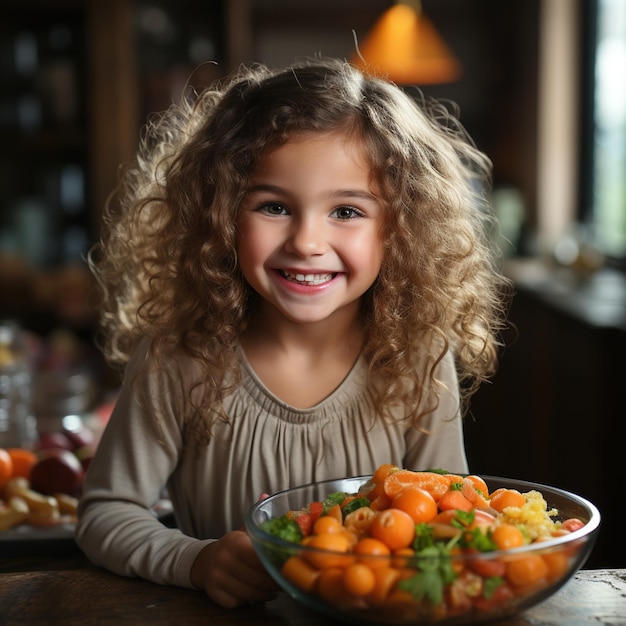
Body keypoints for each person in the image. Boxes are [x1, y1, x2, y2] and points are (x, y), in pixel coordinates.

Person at [76, 57, 510, 609]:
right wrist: (197, 561)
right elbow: (106, 513)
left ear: (401, 231)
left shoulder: (417, 358)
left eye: (346, 211)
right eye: (274, 206)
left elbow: (451, 518)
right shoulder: (178, 358)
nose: (306, 241)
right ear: (221, 214)